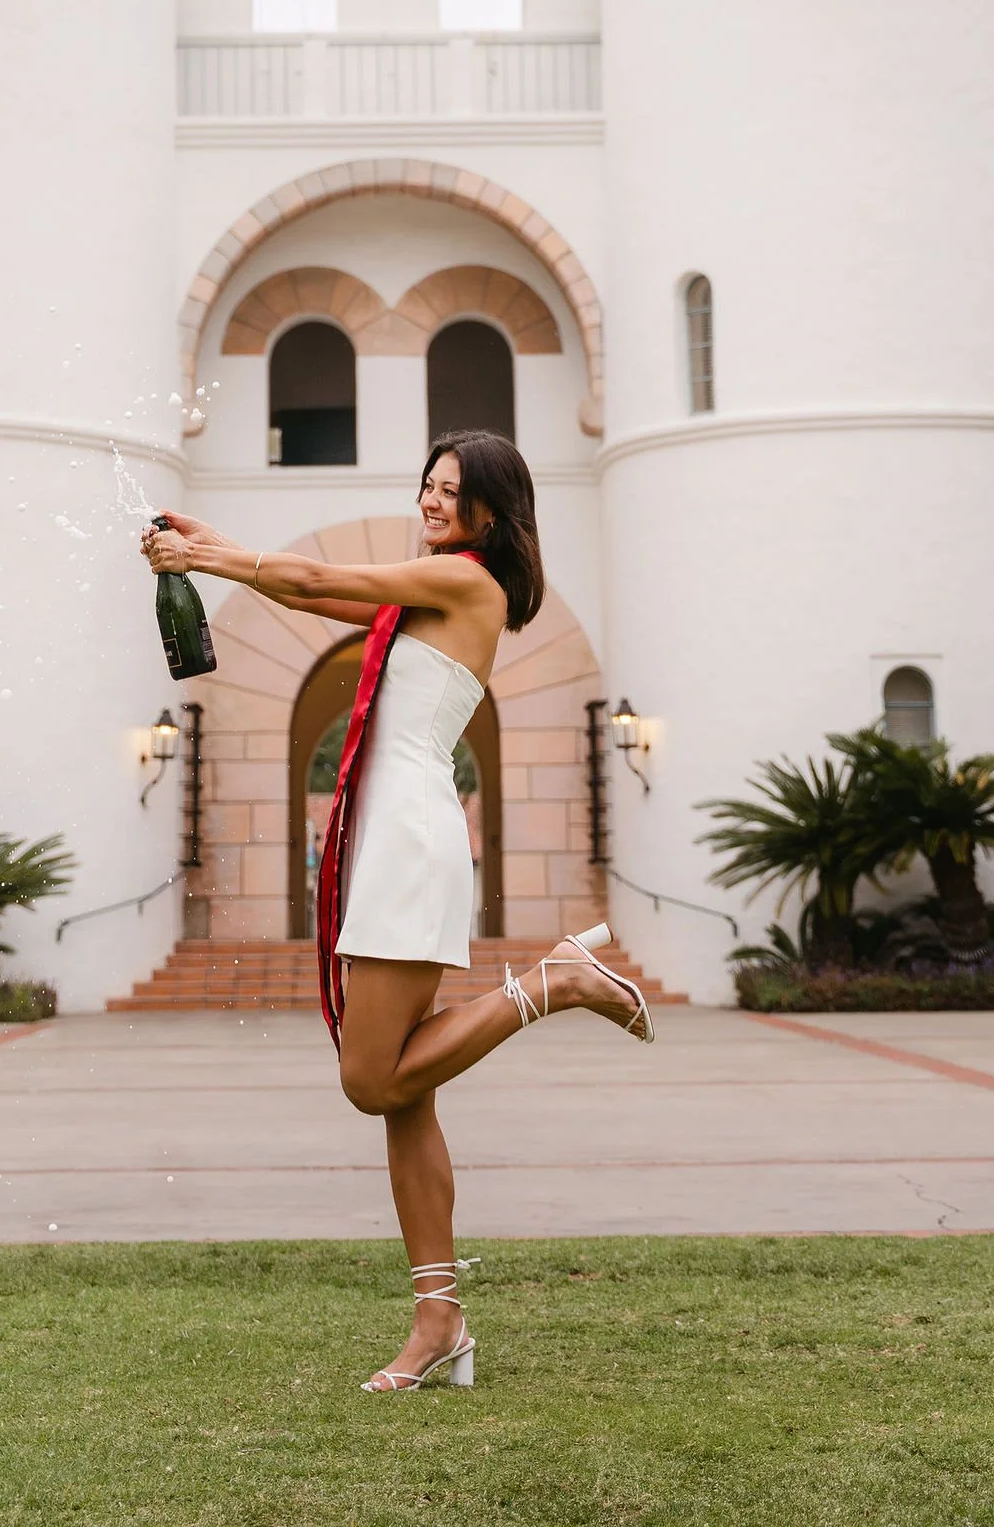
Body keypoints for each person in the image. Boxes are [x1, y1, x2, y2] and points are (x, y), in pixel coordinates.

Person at [143, 428, 652, 1394]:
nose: (431, 500)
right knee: (405, 1095)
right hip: (385, 832)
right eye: (427, 483)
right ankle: (439, 1323)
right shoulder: (426, 585)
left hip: (410, 837)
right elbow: (307, 589)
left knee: (369, 1080)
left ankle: (554, 982)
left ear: (491, 514)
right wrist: (220, 551)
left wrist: (212, 558)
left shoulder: (470, 587)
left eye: (451, 491)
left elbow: (305, 571)